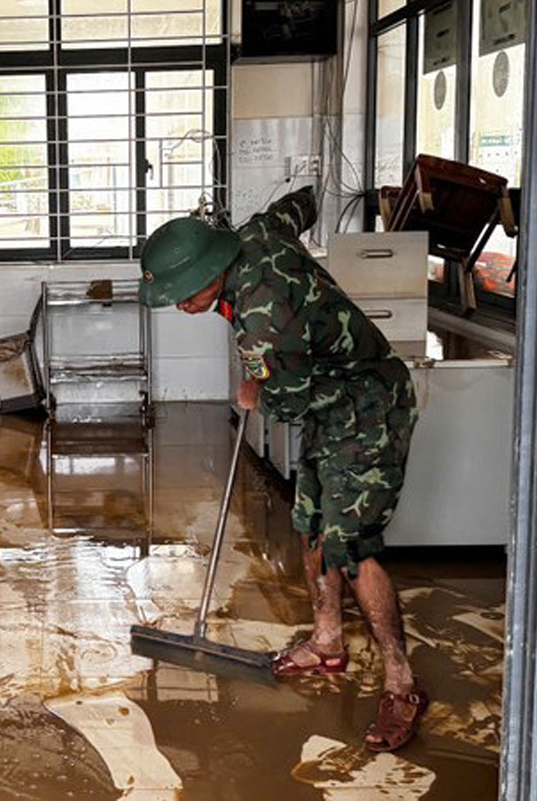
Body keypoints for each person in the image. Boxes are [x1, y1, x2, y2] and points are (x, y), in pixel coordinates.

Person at [137, 187, 428, 753]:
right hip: (334, 402)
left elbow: (288, 404)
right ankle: (326, 642)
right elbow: (304, 201)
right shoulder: (256, 233)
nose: (181, 307)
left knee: (352, 546)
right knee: (310, 522)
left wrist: (254, 388)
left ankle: (401, 681)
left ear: (211, 273)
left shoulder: (261, 316)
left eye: (183, 296)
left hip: (369, 408)